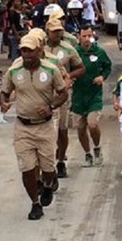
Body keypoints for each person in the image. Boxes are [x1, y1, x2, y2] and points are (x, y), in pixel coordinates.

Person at [0, 34, 68, 220]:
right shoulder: (14, 71)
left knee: (47, 169)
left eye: (30, 50)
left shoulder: (51, 69)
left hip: (44, 127)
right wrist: (3, 103)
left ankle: (47, 184)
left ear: (39, 51)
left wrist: (50, 106)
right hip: (23, 127)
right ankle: (35, 203)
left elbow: (63, 94)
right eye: (23, 50)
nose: (26, 54)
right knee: (27, 169)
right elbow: (4, 93)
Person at [45, 20, 85, 178]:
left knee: (62, 129)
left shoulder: (68, 49)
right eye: (54, 31)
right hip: (44, 93)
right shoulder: (41, 48)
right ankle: (47, 164)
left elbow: (80, 68)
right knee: (48, 131)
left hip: (61, 93)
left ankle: (61, 161)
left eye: (59, 31)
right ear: (47, 31)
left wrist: (68, 78)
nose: (57, 34)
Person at [71, 25, 111, 167]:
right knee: (81, 128)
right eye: (84, 36)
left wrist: (102, 77)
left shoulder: (99, 52)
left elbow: (107, 66)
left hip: (94, 94)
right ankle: (87, 154)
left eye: (89, 36)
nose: (87, 39)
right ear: (79, 36)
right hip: (78, 96)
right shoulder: (74, 53)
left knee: (92, 124)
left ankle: (97, 147)